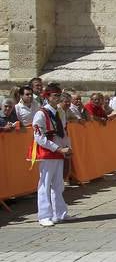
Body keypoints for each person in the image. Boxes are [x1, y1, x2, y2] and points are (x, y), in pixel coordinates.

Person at [29, 84, 73, 227]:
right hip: (47, 151)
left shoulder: (60, 112)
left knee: (58, 184)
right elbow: (39, 137)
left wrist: (67, 147)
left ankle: (60, 213)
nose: (57, 98)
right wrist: (57, 148)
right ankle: (44, 215)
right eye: (55, 95)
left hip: (59, 150)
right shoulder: (41, 113)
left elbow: (64, 131)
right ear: (47, 97)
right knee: (45, 183)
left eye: (59, 95)